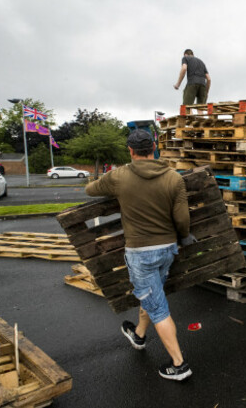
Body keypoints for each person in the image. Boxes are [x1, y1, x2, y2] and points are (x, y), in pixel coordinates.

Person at [85, 129, 196, 381]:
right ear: (154, 147)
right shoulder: (172, 177)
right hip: (168, 249)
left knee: (158, 307)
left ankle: (179, 365)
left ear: (130, 151)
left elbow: (90, 190)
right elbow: (182, 218)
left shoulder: (119, 177)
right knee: (153, 293)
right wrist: (185, 235)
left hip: (140, 253)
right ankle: (139, 335)